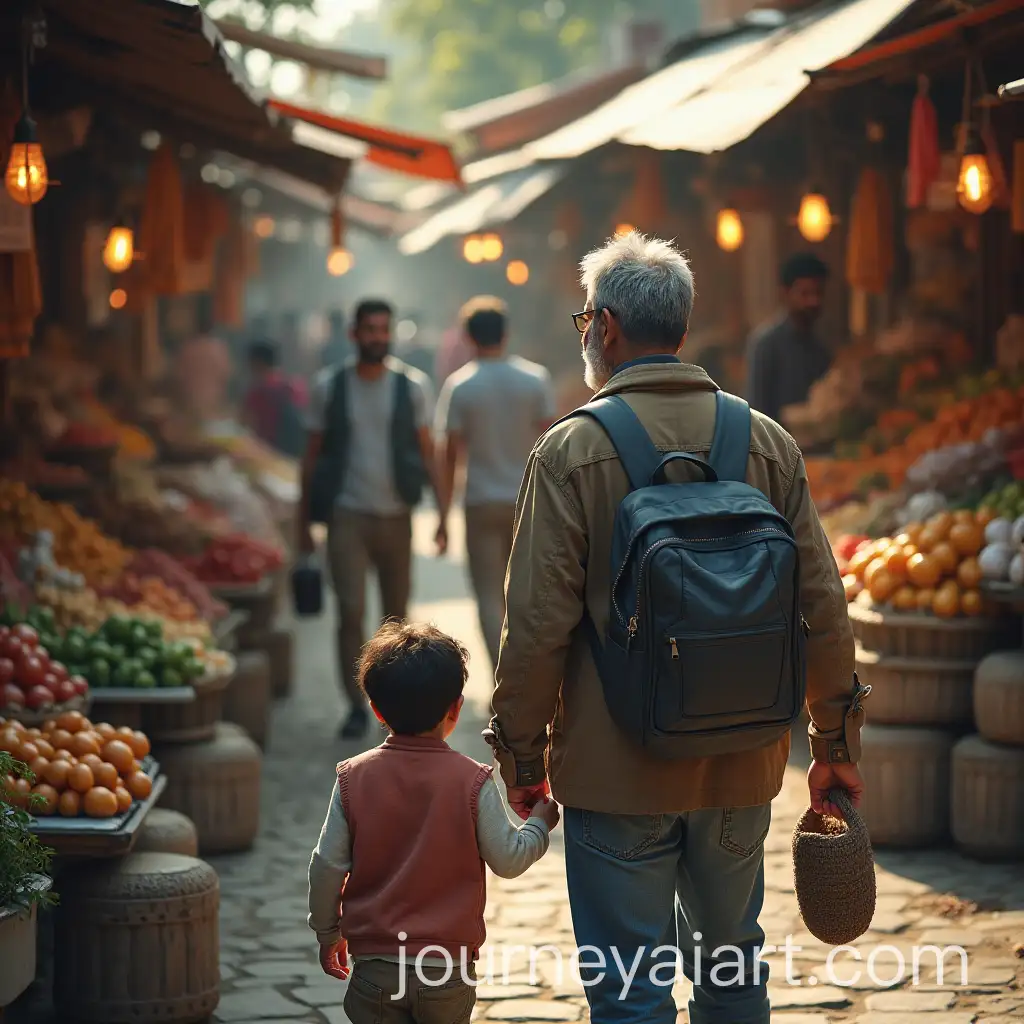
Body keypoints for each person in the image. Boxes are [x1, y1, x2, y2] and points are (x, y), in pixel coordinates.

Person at [486, 232, 865, 1024]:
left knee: (631, 992)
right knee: (732, 972)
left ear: (607, 326)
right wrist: (833, 743)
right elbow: (822, 605)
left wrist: (522, 756)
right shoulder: (765, 441)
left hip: (615, 771)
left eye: (586, 318)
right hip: (740, 764)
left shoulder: (571, 451)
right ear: (682, 329)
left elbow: (536, 626)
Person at [308, 621, 559, 1024]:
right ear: (455, 708)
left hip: (375, 968)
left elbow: (326, 865)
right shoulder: (472, 781)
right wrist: (539, 825)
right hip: (445, 972)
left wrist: (328, 932)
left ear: (376, 709)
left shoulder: (353, 777)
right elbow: (509, 860)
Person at [299, 299, 444, 739]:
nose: (378, 337)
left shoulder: (411, 386)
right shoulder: (330, 387)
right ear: (354, 334)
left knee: (396, 619)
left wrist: (442, 513)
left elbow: (428, 450)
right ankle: (355, 705)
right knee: (350, 611)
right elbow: (311, 456)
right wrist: (303, 521)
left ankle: (393, 707)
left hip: (397, 514)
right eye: (370, 330)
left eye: (384, 330)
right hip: (346, 515)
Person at [435, 297, 556, 672]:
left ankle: (501, 677)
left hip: (481, 502)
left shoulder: (460, 386)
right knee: (527, 595)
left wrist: (443, 516)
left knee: (489, 596)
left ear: (469, 338)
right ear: (506, 333)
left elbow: (449, 455)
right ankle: (527, 676)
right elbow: (553, 442)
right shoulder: (535, 379)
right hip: (529, 500)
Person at [745, 253, 832, 425]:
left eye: (818, 293)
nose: (813, 301)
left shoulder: (820, 349)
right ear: (786, 293)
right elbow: (756, 412)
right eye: (805, 294)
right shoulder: (766, 344)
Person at [242, 340, 309, 457]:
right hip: (295, 455)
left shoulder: (257, 391)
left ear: (257, 363)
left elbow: (246, 425)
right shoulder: (296, 387)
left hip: (267, 455)